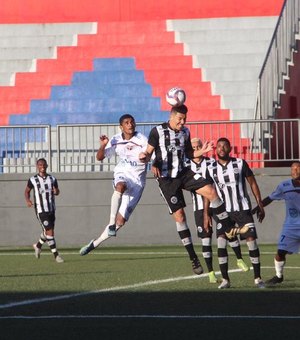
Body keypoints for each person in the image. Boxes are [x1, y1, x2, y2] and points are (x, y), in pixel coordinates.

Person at [139, 105, 248, 275]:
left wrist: (202, 151)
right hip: (167, 179)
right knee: (180, 216)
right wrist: (145, 158)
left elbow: (189, 154)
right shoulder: (157, 131)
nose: (182, 123)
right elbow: (148, 152)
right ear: (172, 117)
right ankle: (193, 257)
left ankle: (227, 227)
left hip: (184, 172)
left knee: (211, 191)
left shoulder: (185, 132)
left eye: (184, 119)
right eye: (180, 119)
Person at [79, 114, 148, 255]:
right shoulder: (116, 139)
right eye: (127, 123)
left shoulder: (142, 140)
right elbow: (99, 158)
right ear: (121, 127)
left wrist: (145, 157)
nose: (130, 125)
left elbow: (148, 156)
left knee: (121, 221)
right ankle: (111, 223)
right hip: (122, 173)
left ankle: (95, 243)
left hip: (137, 182)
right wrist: (103, 145)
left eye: (132, 122)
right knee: (120, 186)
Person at [189, 137, 249, 283]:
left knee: (228, 230)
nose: (196, 150)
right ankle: (210, 273)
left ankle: (239, 259)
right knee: (206, 239)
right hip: (199, 207)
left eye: (198, 147)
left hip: (216, 204)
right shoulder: (186, 165)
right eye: (194, 148)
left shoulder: (210, 163)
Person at [208, 137, 265, 288]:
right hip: (222, 211)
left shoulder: (240, 163)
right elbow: (208, 191)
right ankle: (226, 280)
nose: (221, 148)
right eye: (219, 146)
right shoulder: (211, 167)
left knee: (251, 240)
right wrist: (207, 214)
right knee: (221, 241)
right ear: (216, 149)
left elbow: (252, 182)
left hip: (242, 209)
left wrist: (259, 203)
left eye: (225, 146)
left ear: (230, 148)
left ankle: (258, 278)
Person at [252, 161, 300, 286]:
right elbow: (270, 198)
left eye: (298, 168)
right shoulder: (284, 186)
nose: (294, 171)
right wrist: (258, 207)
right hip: (291, 226)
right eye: (292, 169)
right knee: (280, 252)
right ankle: (279, 276)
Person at [24, 158, 64, 263]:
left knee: (47, 232)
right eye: (40, 164)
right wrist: (28, 200)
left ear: (47, 165)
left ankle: (37, 246)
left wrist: (56, 191)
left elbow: (57, 191)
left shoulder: (52, 179)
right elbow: (27, 191)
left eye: (44, 164)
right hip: (40, 210)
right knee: (50, 232)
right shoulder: (32, 179)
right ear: (37, 166)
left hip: (51, 209)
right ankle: (56, 256)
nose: (42, 166)